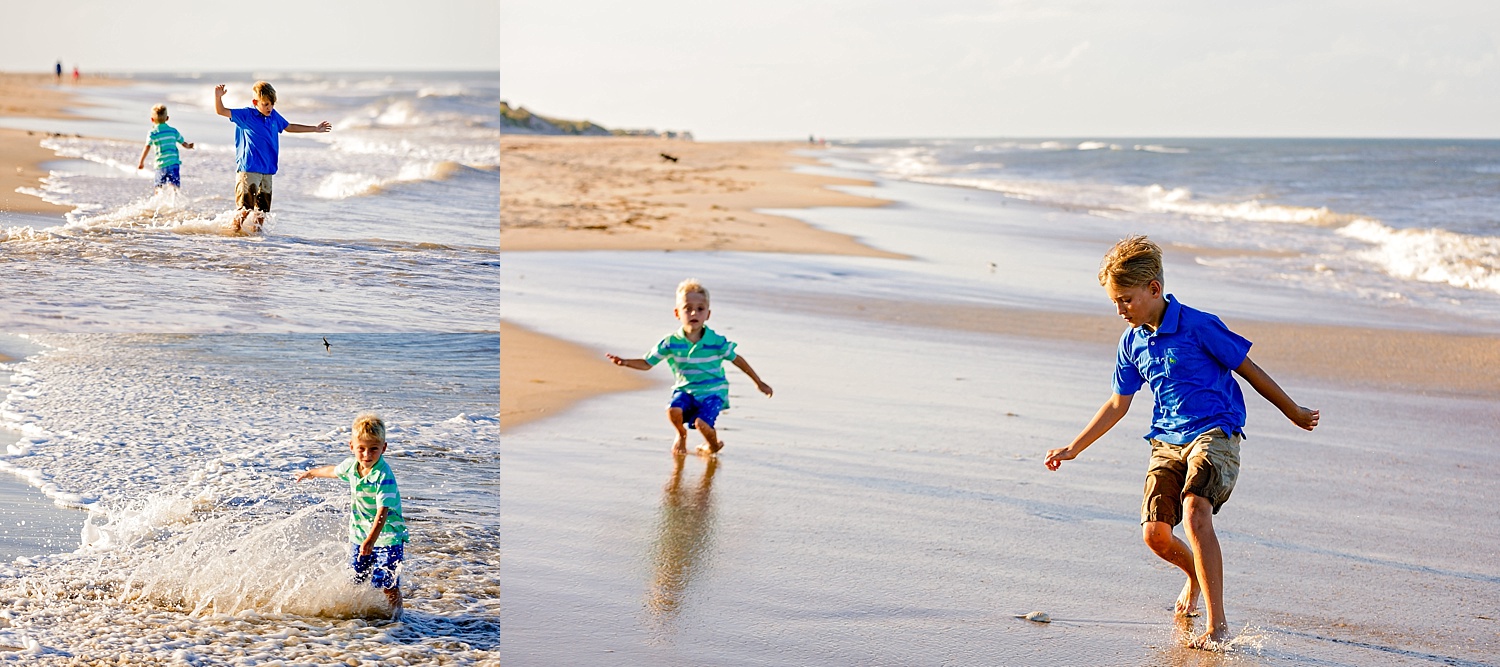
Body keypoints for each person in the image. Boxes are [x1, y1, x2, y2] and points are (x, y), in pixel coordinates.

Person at [1043, 235, 1319, 650]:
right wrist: (1074, 447)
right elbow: (1118, 404)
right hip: (1166, 442)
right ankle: (1192, 574)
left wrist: (1293, 411)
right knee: (1155, 534)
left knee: (1195, 510)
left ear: (1154, 289)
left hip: (1216, 432)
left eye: (1126, 300)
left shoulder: (1200, 325)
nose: (1119, 310)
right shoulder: (1132, 342)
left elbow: (1250, 369)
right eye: (1115, 302)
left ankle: (1217, 624)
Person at [607, 279, 774, 456]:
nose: (694, 312)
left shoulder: (716, 342)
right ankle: (681, 434)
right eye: (687, 308)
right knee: (673, 410)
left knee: (702, 424)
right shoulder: (671, 342)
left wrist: (759, 382)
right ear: (677, 313)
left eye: (700, 309)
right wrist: (625, 362)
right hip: (685, 390)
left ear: (708, 314)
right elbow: (648, 363)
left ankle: (713, 445)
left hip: (713, 392)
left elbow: (737, 360)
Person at [296, 413, 407, 619]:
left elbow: (383, 511)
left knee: (388, 585)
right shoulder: (351, 466)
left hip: (388, 537)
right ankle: (357, 615)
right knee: (356, 578)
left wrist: (371, 541)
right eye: (361, 448)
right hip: (360, 534)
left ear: (383, 448)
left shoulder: (384, 476)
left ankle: (398, 618)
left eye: (374, 448)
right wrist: (311, 472)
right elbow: (333, 470)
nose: (367, 454)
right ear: (352, 446)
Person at [213, 81, 332, 233]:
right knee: (244, 209)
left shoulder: (273, 116)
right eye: (266, 104)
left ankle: (258, 238)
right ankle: (232, 235)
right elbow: (221, 111)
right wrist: (218, 97)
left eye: (272, 104)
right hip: (249, 169)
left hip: (268, 170)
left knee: (261, 211)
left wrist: (315, 129)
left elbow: (289, 127)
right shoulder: (246, 115)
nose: (270, 108)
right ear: (256, 102)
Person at [136, 104, 194, 192]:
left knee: (158, 187)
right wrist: (189, 146)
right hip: (174, 163)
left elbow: (147, 146)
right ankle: (174, 202)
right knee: (175, 186)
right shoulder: (173, 131)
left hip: (161, 164)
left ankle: (158, 202)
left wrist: (141, 162)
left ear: (152, 119)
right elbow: (183, 143)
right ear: (167, 118)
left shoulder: (153, 133)